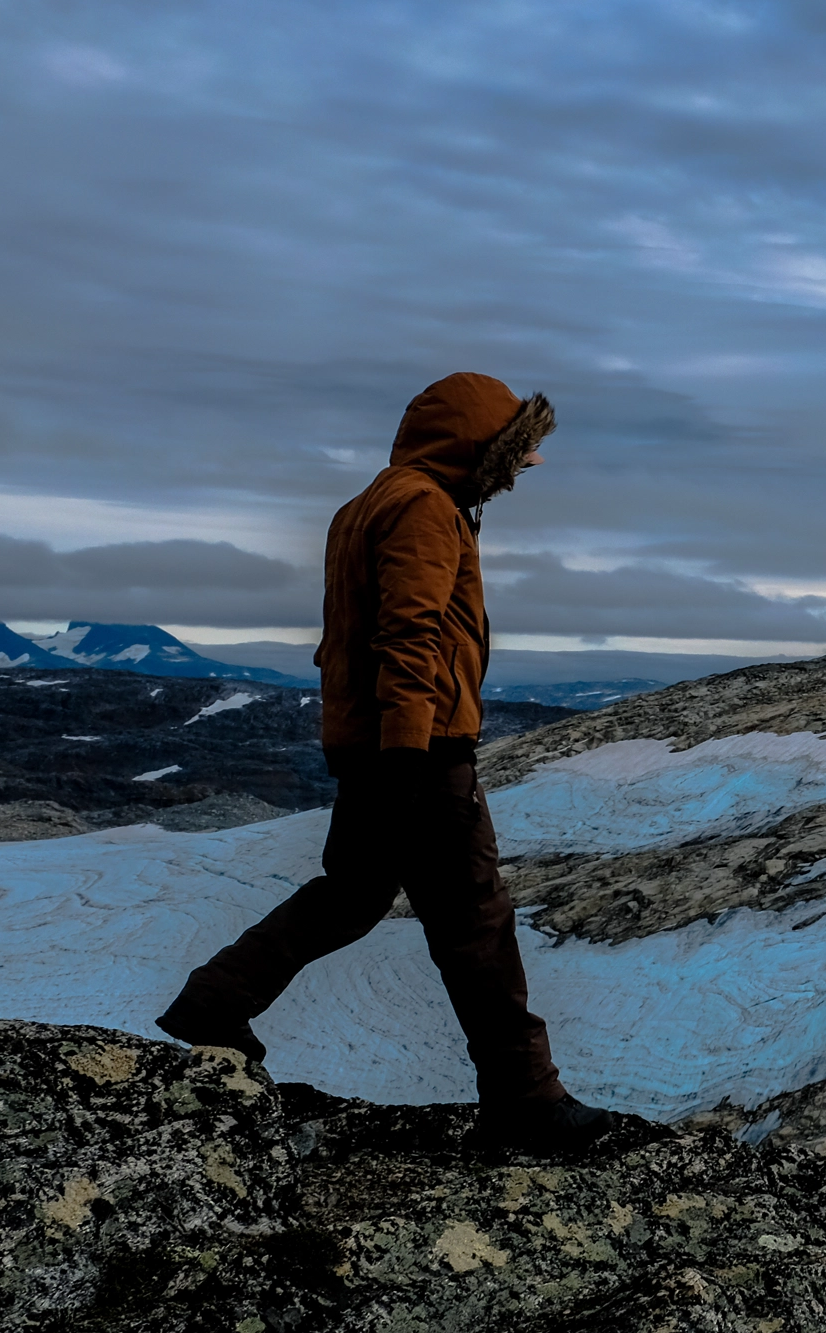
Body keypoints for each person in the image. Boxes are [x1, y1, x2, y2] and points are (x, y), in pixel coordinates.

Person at [157, 372, 622, 1157]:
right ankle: (526, 1100)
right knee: (477, 921)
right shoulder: (423, 507)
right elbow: (409, 636)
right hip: (421, 751)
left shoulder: (371, 501)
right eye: (516, 450)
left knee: (353, 893)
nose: (526, 467)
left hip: (380, 745)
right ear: (474, 444)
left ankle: (214, 1000)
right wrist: (410, 757)